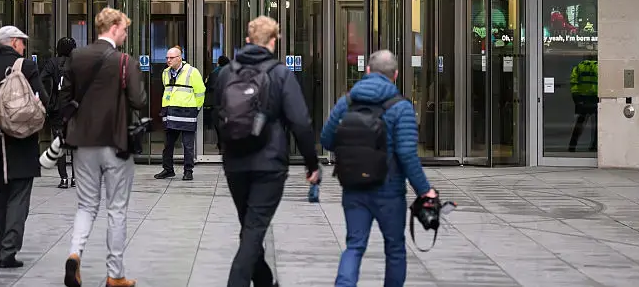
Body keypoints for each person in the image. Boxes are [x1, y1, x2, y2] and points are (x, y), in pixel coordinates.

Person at [212, 16, 320, 287]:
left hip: (235, 163)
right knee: (253, 229)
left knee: (250, 227)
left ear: (247, 41)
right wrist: (311, 164)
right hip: (269, 164)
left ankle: (264, 280)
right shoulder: (280, 73)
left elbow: (217, 114)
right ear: (274, 42)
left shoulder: (226, 73)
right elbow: (300, 121)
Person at [320, 49, 436, 287]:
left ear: (368, 71)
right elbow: (407, 155)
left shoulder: (347, 102)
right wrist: (425, 191)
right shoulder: (401, 107)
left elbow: (326, 140)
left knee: (354, 246)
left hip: (353, 188)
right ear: (395, 75)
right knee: (394, 248)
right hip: (390, 191)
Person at [62, 8, 147, 287]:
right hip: (115, 142)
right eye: (124, 29)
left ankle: (75, 253)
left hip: (82, 142)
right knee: (116, 209)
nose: (125, 34)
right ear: (112, 27)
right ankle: (115, 274)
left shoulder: (77, 57)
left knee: (86, 205)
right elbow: (138, 100)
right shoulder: (124, 61)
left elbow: (66, 96)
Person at [0, 25, 47, 269]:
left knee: (1, 196)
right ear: (13, 43)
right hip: (22, 141)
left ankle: (2, 245)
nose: (24, 46)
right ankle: (9, 251)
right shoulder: (27, 67)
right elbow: (43, 99)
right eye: (22, 42)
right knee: (19, 196)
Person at [154, 45, 205, 181]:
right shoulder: (166, 73)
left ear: (179, 58)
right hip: (170, 112)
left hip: (187, 112)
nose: (168, 60)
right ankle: (168, 169)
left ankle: (188, 171)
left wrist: (196, 109)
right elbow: (167, 91)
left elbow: (200, 92)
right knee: (168, 145)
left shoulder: (192, 72)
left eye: (171, 58)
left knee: (188, 145)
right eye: (167, 58)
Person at [42, 36, 77, 189]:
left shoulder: (53, 63)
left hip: (57, 109)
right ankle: (76, 178)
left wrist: (47, 99)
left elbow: (42, 78)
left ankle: (63, 178)